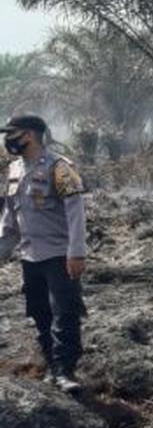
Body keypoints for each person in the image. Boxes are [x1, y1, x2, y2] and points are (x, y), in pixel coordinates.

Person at [0, 115, 87, 395]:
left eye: (12, 134)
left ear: (29, 135)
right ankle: (51, 365)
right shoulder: (15, 169)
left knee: (65, 312)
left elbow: (76, 213)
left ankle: (65, 371)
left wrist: (77, 253)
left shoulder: (60, 167)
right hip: (30, 255)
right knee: (39, 313)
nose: (7, 140)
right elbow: (10, 220)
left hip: (59, 254)